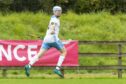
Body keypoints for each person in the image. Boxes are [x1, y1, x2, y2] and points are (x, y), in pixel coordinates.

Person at [25, 6, 68, 78]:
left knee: (40, 54)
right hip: (53, 39)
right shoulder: (54, 19)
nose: (59, 12)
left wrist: (51, 32)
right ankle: (57, 68)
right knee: (64, 51)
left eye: (60, 11)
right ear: (54, 12)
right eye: (57, 11)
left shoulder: (54, 18)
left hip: (46, 39)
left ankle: (28, 65)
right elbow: (52, 26)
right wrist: (52, 30)